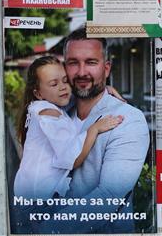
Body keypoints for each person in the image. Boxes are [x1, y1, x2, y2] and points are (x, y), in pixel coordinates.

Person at [56, 27, 150, 233]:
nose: (81, 72)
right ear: (65, 68)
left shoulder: (128, 120)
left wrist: (47, 228)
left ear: (106, 69)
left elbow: (109, 196)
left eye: (91, 62)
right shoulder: (57, 115)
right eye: (73, 63)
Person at [13, 56, 123, 201]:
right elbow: (73, 159)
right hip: (40, 198)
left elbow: (70, 98)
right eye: (54, 84)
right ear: (38, 93)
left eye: (65, 80)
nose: (63, 87)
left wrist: (102, 91)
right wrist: (94, 129)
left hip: (29, 192)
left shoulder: (38, 107)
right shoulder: (50, 115)